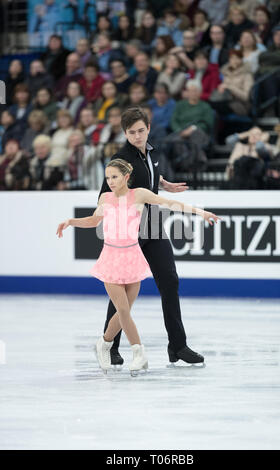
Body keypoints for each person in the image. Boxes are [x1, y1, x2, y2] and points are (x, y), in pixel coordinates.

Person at [56, 157, 220, 374]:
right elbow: (93, 220)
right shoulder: (105, 198)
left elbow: (171, 204)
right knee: (122, 309)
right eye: (107, 178)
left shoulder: (139, 194)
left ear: (126, 177)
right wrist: (71, 222)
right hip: (111, 258)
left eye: (114, 177)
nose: (110, 181)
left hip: (133, 257)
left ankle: (103, 343)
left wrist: (201, 213)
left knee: (124, 312)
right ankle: (139, 353)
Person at [90, 106, 216, 367]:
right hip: (131, 232)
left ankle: (177, 346)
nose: (137, 136)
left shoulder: (151, 153)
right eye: (132, 132)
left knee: (169, 281)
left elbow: (146, 178)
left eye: (141, 130)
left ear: (148, 128)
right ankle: (110, 346)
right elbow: (108, 193)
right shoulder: (120, 159)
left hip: (154, 226)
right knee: (122, 290)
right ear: (125, 133)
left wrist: (163, 184)